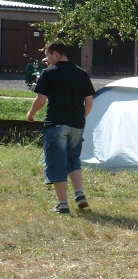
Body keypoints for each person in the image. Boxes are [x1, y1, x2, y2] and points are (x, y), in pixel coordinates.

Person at [26, 43, 95, 214]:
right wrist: (81, 118)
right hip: (77, 124)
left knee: (57, 163)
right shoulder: (82, 73)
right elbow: (89, 102)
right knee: (73, 160)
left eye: (48, 56)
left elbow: (41, 100)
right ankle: (79, 194)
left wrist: (31, 114)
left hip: (56, 124)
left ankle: (63, 204)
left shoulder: (49, 73)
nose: (46, 61)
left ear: (56, 54)